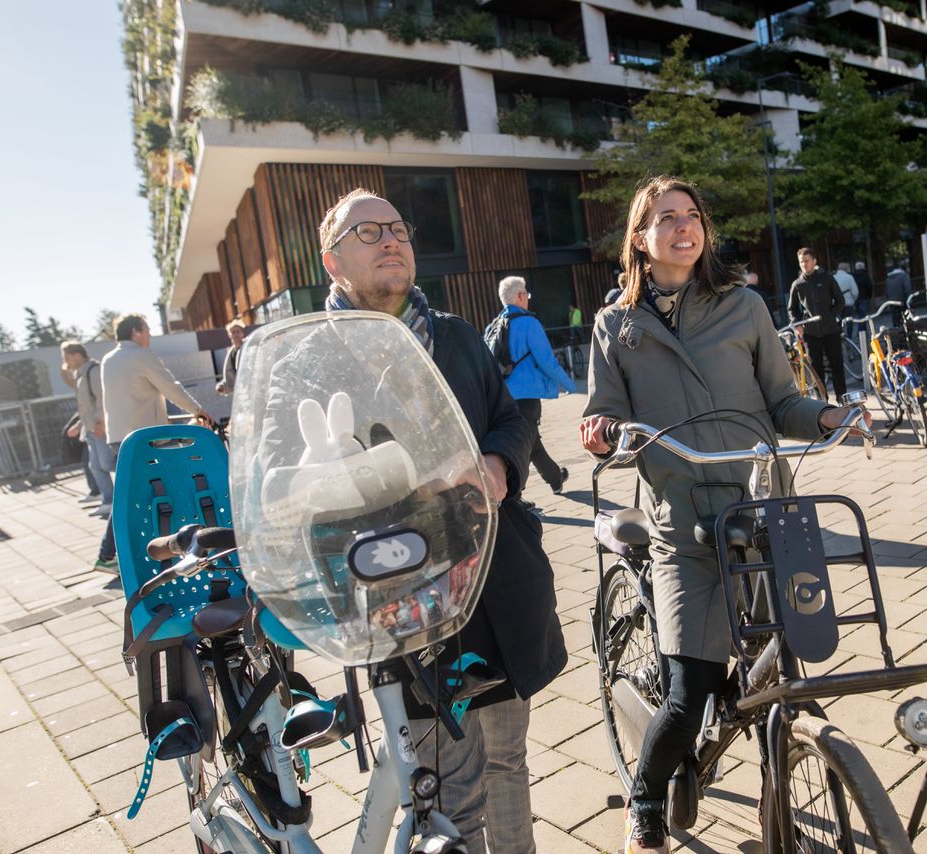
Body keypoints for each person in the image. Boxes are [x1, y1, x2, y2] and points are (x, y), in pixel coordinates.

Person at [579, 175, 866, 854]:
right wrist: (602, 433)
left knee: (779, 671)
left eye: (692, 215)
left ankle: (776, 777)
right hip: (682, 527)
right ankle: (646, 802)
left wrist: (828, 416)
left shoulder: (744, 306)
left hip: (762, 513)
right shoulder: (617, 325)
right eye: (666, 218)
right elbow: (604, 415)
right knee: (689, 695)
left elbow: (783, 403)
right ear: (640, 239)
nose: (684, 226)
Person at [316, 188, 567, 853]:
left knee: (507, 760)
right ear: (331, 260)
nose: (390, 239)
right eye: (368, 231)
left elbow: (510, 419)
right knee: (447, 785)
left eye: (398, 228)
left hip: (495, 585)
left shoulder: (455, 335)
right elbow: (296, 475)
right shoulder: (314, 358)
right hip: (403, 604)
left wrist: (499, 465)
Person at [99, 314, 211, 571]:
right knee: (167, 488)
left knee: (129, 492)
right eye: (147, 329)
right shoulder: (141, 355)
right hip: (147, 438)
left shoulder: (108, 359)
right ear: (136, 332)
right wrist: (198, 410)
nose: (149, 335)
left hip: (119, 437)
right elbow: (170, 386)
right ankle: (172, 546)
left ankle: (111, 553)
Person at [495, 275, 575, 494]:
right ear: (520, 296)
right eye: (526, 294)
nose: (528, 299)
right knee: (524, 444)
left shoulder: (494, 326)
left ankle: (555, 479)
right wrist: (570, 385)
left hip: (503, 396)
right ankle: (514, 494)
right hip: (527, 396)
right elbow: (547, 361)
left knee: (531, 440)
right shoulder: (529, 324)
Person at [60, 341, 114, 520]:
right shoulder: (80, 375)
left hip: (99, 427)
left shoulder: (93, 371)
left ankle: (131, 492)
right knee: (95, 466)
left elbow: (102, 399)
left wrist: (100, 422)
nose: (65, 361)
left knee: (107, 464)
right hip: (90, 428)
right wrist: (78, 426)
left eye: (66, 357)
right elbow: (85, 407)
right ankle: (109, 501)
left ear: (77, 355)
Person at [787, 248, 848, 399]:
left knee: (837, 366)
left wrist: (831, 316)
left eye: (807, 261)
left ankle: (842, 399)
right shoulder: (797, 284)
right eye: (801, 262)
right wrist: (797, 324)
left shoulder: (826, 278)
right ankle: (822, 402)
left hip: (831, 330)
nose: (804, 264)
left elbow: (840, 300)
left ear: (814, 261)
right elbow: (791, 309)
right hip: (811, 333)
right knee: (816, 370)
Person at [216, 319, 245, 394]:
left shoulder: (248, 348)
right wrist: (222, 387)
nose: (236, 334)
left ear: (242, 333)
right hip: (239, 393)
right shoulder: (231, 352)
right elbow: (230, 377)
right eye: (233, 332)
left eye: (238, 331)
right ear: (230, 335)